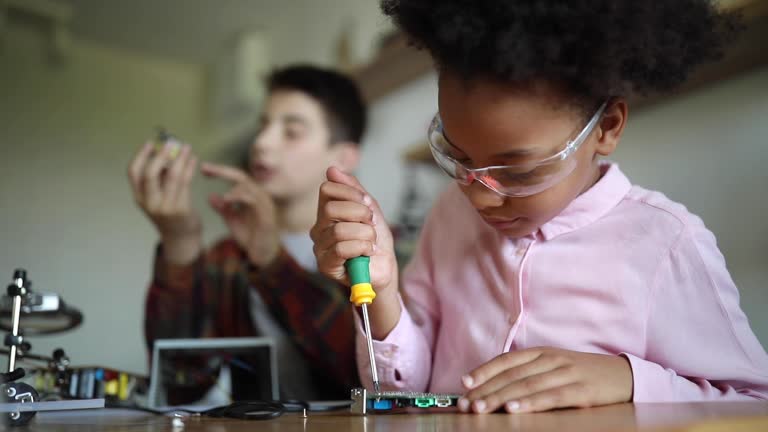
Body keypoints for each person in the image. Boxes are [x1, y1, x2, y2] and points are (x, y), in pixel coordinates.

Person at [311, 0, 768, 414]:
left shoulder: (666, 242)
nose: (480, 196)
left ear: (606, 126)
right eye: (459, 159)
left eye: (520, 171)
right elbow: (404, 394)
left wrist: (629, 379)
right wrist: (384, 289)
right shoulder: (449, 217)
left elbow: (754, 402)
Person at [128, 65, 366, 402]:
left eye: (291, 131)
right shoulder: (228, 256)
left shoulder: (369, 249)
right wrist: (180, 241)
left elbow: (366, 375)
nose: (261, 143)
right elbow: (180, 384)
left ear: (344, 156)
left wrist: (272, 260)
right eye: (264, 125)